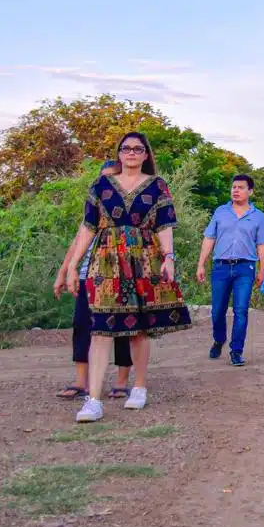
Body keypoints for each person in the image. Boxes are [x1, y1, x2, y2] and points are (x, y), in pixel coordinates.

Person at [64, 133, 191, 423]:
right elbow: (87, 228)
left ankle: (139, 386)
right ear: (119, 154)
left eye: (137, 149)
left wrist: (169, 257)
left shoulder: (158, 186)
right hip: (106, 259)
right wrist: (73, 266)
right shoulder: (100, 186)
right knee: (99, 328)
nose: (131, 153)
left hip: (145, 257)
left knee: (138, 327)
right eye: (126, 149)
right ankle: (93, 400)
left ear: (146, 154)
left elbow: (164, 226)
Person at [53, 160, 132, 400]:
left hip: (121, 275)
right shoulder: (93, 208)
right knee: (82, 325)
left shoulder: (129, 212)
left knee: (122, 327)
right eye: (104, 178)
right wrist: (65, 271)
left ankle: (121, 382)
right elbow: (78, 242)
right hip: (89, 275)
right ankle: (82, 382)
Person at [196, 175, 264, 367]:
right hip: (221, 266)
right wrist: (201, 264)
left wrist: (263, 271)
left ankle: (236, 350)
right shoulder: (220, 212)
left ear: (250, 191)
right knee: (218, 310)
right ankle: (219, 338)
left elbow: (263, 244)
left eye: (241, 187)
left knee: (241, 310)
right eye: (234, 187)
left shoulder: (258, 216)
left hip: (245, 267)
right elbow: (209, 238)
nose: (235, 190)